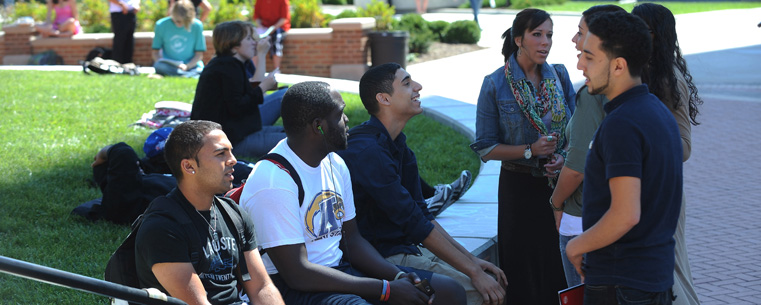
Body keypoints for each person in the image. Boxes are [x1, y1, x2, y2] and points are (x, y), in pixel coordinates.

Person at [239, 81, 466, 305]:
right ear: (319, 126)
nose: (347, 120)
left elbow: (353, 241)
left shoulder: (334, 163)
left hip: (340, 272)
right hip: (294, 289)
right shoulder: (273, 181)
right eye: (340, 114)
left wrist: (396, 276)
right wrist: (385, 289)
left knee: (449, 292)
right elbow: (298, 274)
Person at [336, 63, 507, 305]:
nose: (418, 87)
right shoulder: (368, 151)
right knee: (482, 292)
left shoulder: (399, 146)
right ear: (384, 98)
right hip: (382, 258)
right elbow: (414, 223)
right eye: (406, 83)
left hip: (406, 247)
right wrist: (473, 272)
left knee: (491, 279)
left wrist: (472, 260)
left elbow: (422, 214)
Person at [566, 11, 683, 304]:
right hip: (649, 280)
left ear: (618, 65)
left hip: (622, 285)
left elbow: (626, 213)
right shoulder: (655, 111)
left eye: (590, 57)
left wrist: (576, 246)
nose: (580, 64)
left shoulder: (623, 124)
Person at [470, 8, 574, 304]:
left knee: (559, 266)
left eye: (549, 35)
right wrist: (530, 150)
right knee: (521, 268)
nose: (545, 42)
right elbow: (486, 147)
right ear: (519, 39)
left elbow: (576, 133)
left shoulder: (561, 76)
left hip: (559, 187)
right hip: (519, 189)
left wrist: (563, 157)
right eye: (537, 35)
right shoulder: (495, 84)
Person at [134, 120, 285, 305]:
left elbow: (261, 287)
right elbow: (197, 302)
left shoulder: (234, 214)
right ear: (189, 166)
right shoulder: (163, 227)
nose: (233, 160)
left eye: (230, 151)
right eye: (221, 154)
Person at [549, 4, 625, 288]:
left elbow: (578, 167)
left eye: (580, 33)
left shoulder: (594, 93)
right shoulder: (641, 90)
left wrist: (555, 202)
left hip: (584, 219)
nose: (574, 41)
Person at [632, 4, 703, 304]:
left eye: (641, 29)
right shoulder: (641, 72)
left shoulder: (666, 77)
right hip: (643, 190)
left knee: (672, 272)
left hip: (661, 191)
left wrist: (639, 146)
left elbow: (684, 147)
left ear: (657, 35)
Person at [191, 21, 288, 159]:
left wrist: (261, 87)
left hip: (241, 131)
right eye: (249, 38)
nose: (254, 42)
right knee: (302, 141)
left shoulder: (233, 64)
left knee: (299, 135)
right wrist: (263, 87)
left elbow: (245, 97)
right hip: (231, 142)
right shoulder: (226, 67)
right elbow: (238, 106)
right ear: (234, 44)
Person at [152, 0, 206, 77]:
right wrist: (160, 60)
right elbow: (155, 52)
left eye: (184, 21)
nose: (180, 24)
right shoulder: (161, 25)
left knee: (200, 69)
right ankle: (188, 75)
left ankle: (182, 74)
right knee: (159, 66)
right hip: (170, 65)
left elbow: (199, 54)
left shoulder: (197, 25)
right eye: (177, 21)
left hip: (191, 65)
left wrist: (187, 66)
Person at [253, 0, 290, 69]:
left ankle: (276, 70)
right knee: (254, 42)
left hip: (279, 27)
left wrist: (273, 28)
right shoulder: (259, 1)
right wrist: (260, 26)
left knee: (276, 42)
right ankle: (253, 70)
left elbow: (284, 18)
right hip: (264, 28)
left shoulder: (283, 1)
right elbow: (257, 17)